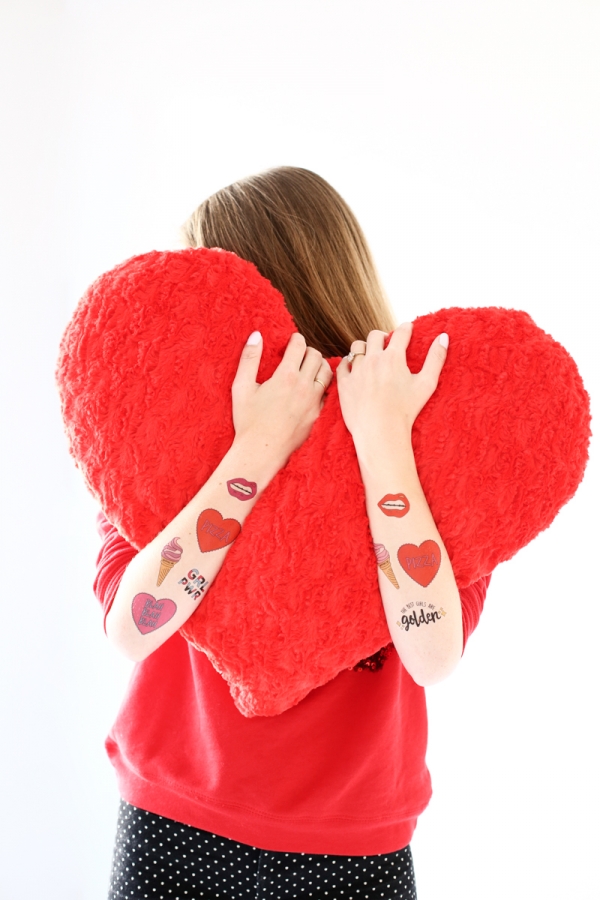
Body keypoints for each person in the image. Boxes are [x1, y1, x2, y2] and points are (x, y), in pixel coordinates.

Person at [94, 166, 491, 900]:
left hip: (352, 840)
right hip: (172, 818)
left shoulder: (428, 444)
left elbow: (432, 650)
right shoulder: (161, 441)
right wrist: (254, 453)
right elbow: (133, 628)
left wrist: (380, 443)